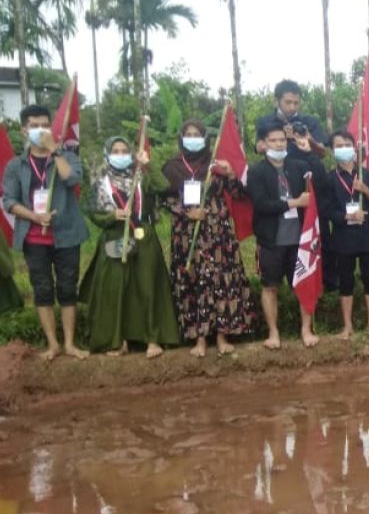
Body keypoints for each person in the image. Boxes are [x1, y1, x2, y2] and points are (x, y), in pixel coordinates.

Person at [162, 120, 257, 357]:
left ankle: (222, 336)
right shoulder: (171, 167)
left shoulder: (215, 165)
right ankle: (199, 339)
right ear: (181, 138)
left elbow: (238, 194)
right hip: (187, 233)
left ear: (205, 139)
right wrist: (187, 212)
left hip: (217, 233)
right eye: (188, 134)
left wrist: (232, 174)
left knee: (219, 281)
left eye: (197, 134)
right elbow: (163, 199)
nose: (192, 138)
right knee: (193, 280)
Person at [2, 104, 89, 360]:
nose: (40, 130)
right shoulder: (15, 166)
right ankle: (52, 344)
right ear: (24, 129)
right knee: (42, 289)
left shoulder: (67, 155)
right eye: (34, 126)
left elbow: (72, 179)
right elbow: (9, 201)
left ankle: (71, 343)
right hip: (33, 237)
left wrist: (55, 151)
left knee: (67, 288)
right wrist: (34, 216)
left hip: (66, 235)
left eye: (44, 125)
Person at [79, 135, 180, 357]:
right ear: (107, 155)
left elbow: (164, 185)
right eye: (115, 151)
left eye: (125, 151)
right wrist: (112, 215)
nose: (120, 155)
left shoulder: (141, 179)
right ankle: (118, 340)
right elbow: (91, 213)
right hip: (114, 237)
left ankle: (153, 340)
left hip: (143, 236)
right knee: (117, 290)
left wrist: (146, 164)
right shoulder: (100, 184)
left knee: (147, 287)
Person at [246, 119, 325, 349]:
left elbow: (320, 181)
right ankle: (273, 333)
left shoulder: (298, 166)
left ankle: (306, 329)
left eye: (282, 139)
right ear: (263, 144)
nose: (279, 144)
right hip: (271, 240)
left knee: (303, 283)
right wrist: (293, 202)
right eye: (273, 140)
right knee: (270, 286)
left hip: (300, 240)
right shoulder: (256, 171)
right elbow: (261, 204)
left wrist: (310, 153)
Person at [320, 130, 369, 339]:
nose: (343, 149)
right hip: (343, 238)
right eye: (338, 146)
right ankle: (347, 326)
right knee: (346, 280)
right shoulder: (329, 179)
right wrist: (347, 217)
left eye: (347, 144)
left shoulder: (367, 175)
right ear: (332, 151)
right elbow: (326, 210)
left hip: (367, 236)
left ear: (354, 147)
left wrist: (365, 190)